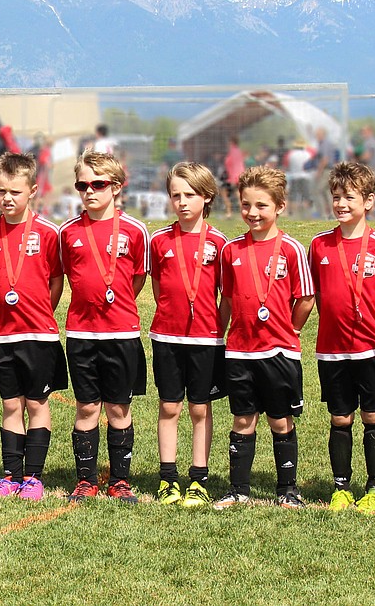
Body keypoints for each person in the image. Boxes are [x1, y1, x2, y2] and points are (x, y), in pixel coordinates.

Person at [214, 166, 314, 509]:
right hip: (240, 350)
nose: (252, 213)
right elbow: (226, 298)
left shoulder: (291, 250)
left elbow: (306, 297)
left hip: (279, 350)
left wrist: (293, 330)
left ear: (279, 206)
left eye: (261, 206)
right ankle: (238, 489)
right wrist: (221, 335)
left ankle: (288, 490)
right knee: (242, 418)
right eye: (246, 205)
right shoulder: (231, 251)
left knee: (279, 418)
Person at [309, 162, 375, 513]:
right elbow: (318, 293)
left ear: (368, 201)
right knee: (339, 417)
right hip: (332, 350)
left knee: (372, 415)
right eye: (336, 197)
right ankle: (340, 487)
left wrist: (374, 324)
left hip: (372, 349)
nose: (341, 204)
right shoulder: (319, 246)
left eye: (349, 197)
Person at [59, 151, 150, 503]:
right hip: (82, 333)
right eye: (82, 185)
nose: (89, 191)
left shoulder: (135, 230)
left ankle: (119, 480)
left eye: (97, 185)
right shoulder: (68, 233)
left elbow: (138, 278)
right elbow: (68, 274)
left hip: (122, 333)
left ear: (115, 187)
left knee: (118, 408)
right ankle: (85, 480)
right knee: (86, 408)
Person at [0, 153, 67, 500]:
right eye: (2, 191)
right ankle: (10, 474)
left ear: (33, 190)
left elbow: (56, 280)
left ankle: (34, 476)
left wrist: (43, 311)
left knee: (36, 404)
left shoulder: (47, 233)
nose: (7, 198)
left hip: (39, 334)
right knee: (10, 405)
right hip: (2, 334)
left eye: (15, 191)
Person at [149, 162, 229, 507]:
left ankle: (199, 479)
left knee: (200, 408)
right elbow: (157, 286)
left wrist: (216, 327)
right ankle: (168, 479)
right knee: (169, 406)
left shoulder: (220, 243)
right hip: (167, 337)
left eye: (190, 195)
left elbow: (225, 295)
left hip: (205, 339)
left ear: (206, 197)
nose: (182, 202)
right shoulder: (160, 240)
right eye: (175, 195)